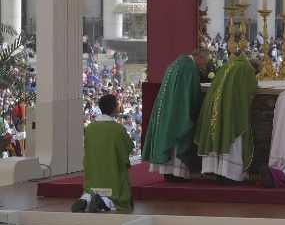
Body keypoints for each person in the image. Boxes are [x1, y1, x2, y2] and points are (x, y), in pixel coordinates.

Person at [142, 49, 210, 180]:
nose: (203, 66)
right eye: (204, 62)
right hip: (179, 111)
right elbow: (192, 93)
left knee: (168, 136)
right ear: (199, 57)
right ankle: (177, 174)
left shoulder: (175, 64)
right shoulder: (189, 68)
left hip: (168, 109)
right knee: (178, 135)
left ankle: (167, 172)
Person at [194, 54, 258, 182]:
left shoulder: (226, 66)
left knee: (218, 134)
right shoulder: (246, 69)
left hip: (215, 108)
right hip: (232, 111)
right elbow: (251, 90)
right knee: (232, 139)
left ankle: (217, 171)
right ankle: (230, 175)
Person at [73, 94, 133, 213]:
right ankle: (105, 202)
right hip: (112, 172)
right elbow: (128, 147)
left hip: (93, 171)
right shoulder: (117, 129)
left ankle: (86, 199)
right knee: (115, 195)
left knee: (91, 190)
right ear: (115, 108)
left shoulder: (90, 128)